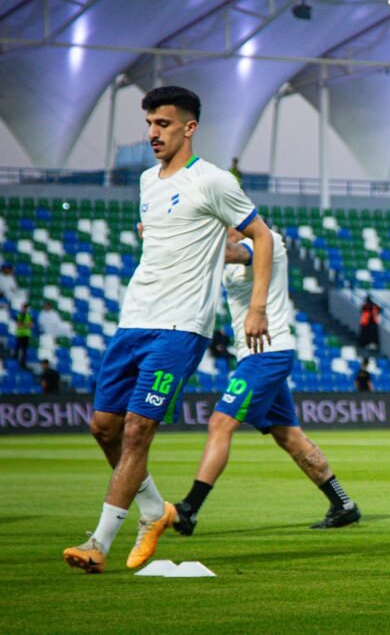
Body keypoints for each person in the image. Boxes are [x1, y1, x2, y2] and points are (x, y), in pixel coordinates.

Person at [63, 85, 273, 574]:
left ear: (189, 127)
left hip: (180, 327)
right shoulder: (146, 182)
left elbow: (261, 237)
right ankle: (155, 510)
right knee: (105, 428)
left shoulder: (214, 181)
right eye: (150, 124)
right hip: (133, 320)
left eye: (163, 124)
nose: (153, 133)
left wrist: (255, 306)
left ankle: (99, 541)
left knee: (138, 431)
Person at [173, 229, 360, 536]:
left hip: (267, 352)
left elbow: (233, 253)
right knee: (289, 437)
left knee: (221, 423)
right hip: (255, 354)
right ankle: (343, 504)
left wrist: (180, 235)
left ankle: (190, 508)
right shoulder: (234, 247)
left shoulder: (263, 240)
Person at [14, 301, 32, 368]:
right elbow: (18, 325)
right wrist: (26, 325)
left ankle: (23, 362)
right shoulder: (19, 315)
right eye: (24, 308)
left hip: (26, 335)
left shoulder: (29, 316)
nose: (25, 309)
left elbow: (31, 324)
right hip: (19, 334)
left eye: (26, 308)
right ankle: (15, 361)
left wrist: (23, 325)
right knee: (17, 348)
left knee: (24, 350)